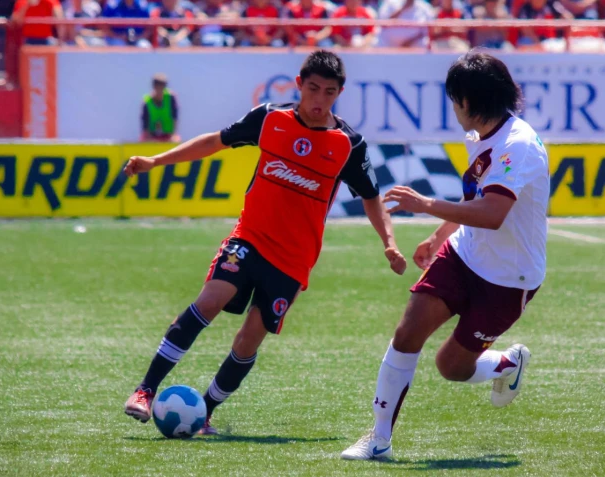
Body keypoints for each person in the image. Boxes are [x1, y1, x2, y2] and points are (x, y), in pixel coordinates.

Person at [123, 51, 408, 435]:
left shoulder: (348, 145)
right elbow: (214, 141)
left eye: (328, 92)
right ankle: (145, 389)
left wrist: (388, 242)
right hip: (249, 238)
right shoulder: (270, 118)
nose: (319, 100)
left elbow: (371, 196)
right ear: (299, 84)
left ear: (339, 93)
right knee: (209, 301)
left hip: (292, 260)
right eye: (312, 89)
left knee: (249, 338)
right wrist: (156, 162)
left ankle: (203, 413)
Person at [341, 51, 549, 460]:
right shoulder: (485, 133)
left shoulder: (518, 145)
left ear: (468, 102)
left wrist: (426, 205)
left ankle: (507, 364)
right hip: (464, 254)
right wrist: (440, 236)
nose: (453, 109)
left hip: (509, 278)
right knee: (407, 332)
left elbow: (492, 213)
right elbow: (475, 195)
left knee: (451, 367)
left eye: (454, 100)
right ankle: (378, 438)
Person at [141, 73, 181, 142]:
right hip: (152, 136)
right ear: (153, 87)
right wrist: (150, 139)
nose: (160, 89)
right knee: (144, 139)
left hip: (168, 135)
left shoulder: (171, 98)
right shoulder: (147, 102)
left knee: (176, 140)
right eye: (157, 86)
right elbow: (145, 126)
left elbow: (175, 118)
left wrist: (173, 135)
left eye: (162, 86)